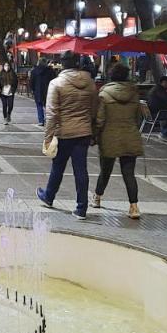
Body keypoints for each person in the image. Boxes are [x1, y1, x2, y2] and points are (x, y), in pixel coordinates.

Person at [37, 52, 97, 219]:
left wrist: (48, 137)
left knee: (58, 167)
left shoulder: (57, 83)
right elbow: (94, 109)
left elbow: (51, 113)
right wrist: (92, 130)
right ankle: (81, 207)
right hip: (84, 131)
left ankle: (49, 196)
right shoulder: (90, 83)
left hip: (64, 132)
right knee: (81, 170)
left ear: (62, 64)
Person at [92, 63, 143, 220]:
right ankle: (134, 207)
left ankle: (97, 198)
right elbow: (139, 118)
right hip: (130, 136)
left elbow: (100, 120)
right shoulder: (134, 94)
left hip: (109, 137)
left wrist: (95, 135)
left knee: (105, 171)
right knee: (129, 174)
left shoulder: (104, 94)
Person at [28, 58, 52, 127]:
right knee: (48, 106)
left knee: (39, 106)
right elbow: (53, 80)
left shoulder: (34, 71)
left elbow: (31, 82)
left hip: (38, 91)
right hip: (48, 91)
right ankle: (49, 120)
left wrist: (32, 90)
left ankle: (41, 121)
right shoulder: (50, 71)